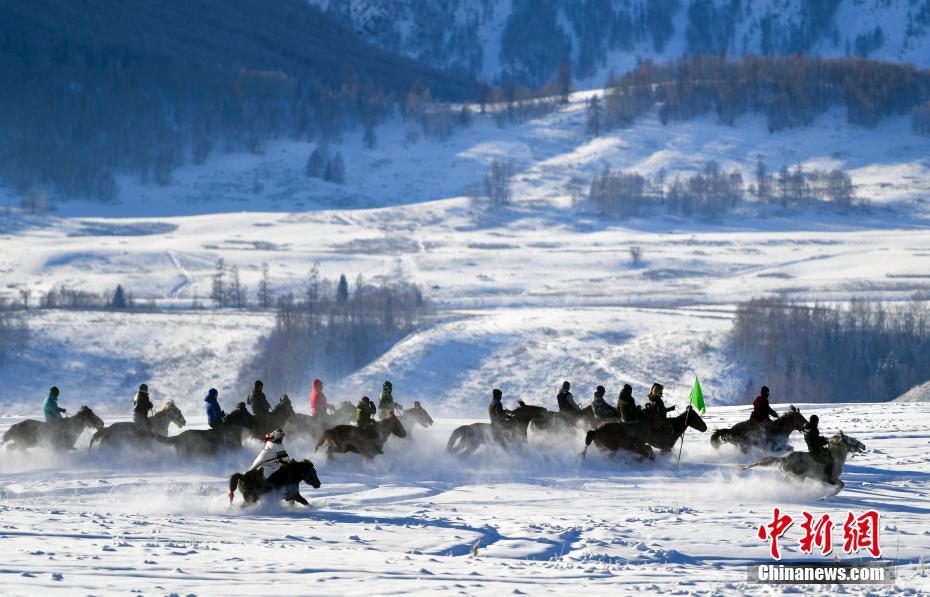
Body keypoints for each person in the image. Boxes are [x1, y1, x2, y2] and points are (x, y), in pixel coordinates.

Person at [803, 414, 834, 484]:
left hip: (810, 448)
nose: (818, 422)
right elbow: (816, 442)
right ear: (816, 421)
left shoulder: (807, 428)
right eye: (817, 421)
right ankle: (827, 478)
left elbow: (814, 437)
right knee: (830, 460)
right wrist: (825, 442)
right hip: (815, 450)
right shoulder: (814, 429)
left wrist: (822, 438)